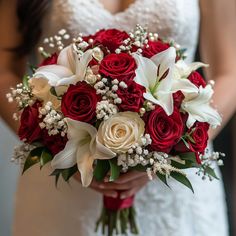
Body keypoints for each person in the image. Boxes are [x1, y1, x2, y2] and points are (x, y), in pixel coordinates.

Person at [0, 0, 236, 235]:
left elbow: (230, 73)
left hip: (173, 188)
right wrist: (55, 146)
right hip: (64, 183)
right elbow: (4, 71)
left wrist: (169, 155)